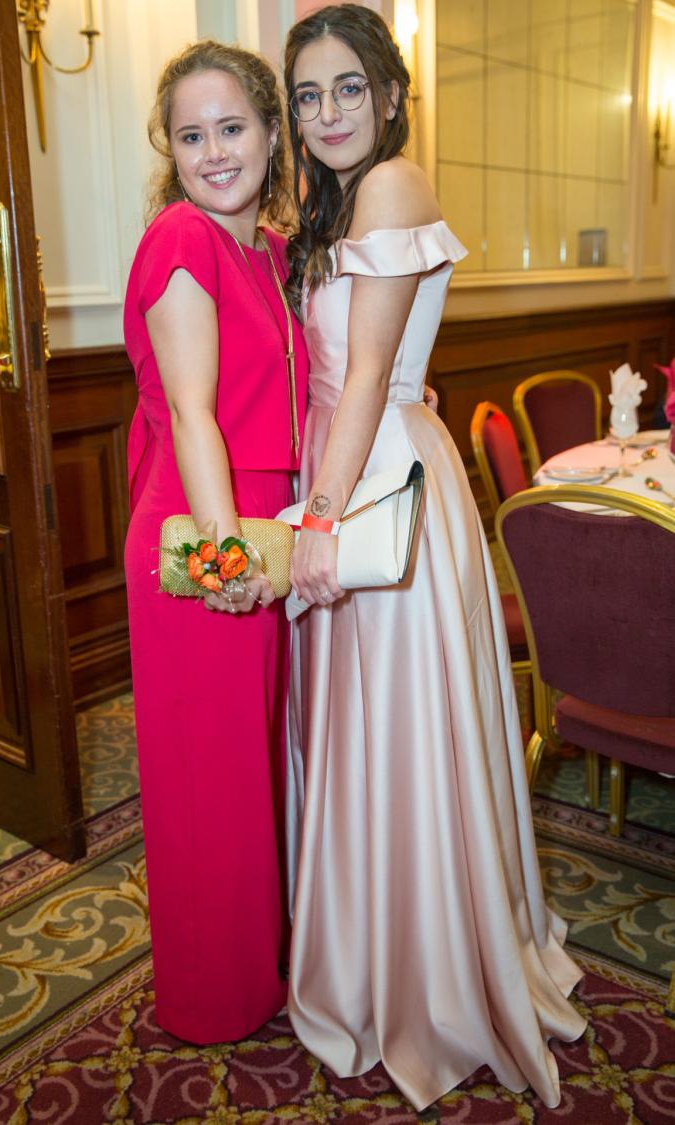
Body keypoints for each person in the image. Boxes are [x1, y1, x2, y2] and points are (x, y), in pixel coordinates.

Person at [282, 4, 586, 1111]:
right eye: (307, 95)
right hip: (355, 459)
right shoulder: (338, 200)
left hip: (376, 483)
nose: (326, 113)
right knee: (364, 725)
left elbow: (368, 373)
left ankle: (424, 970)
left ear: (390, 95)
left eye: (347, 88)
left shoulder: (393, 185)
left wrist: (319, 520)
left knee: (400, 726)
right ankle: (374, 945)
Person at [123, 40, 308, 1044]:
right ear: (172, 150)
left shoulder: (268, 250)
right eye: (191, 135)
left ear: (272, 133)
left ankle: (251, 969)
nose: (214, 151)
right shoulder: (183, 237)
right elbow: (194, 414)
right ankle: (211, 997)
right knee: (208, 777)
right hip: (199, 533)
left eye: (232, 127)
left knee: (245, 771)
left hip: (256, 528)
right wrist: (225, 560)